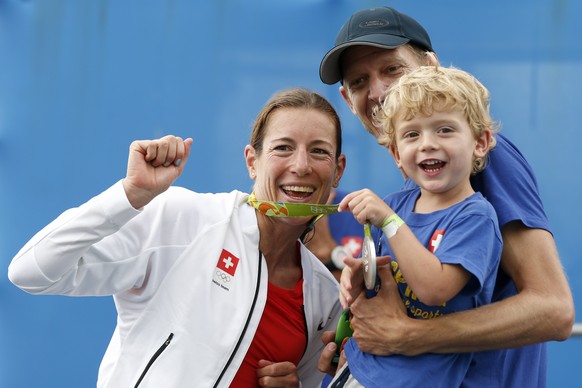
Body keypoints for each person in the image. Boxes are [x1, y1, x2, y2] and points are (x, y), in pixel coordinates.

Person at [8, 87, 346, 388]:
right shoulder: (183, 219)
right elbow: (30, 272)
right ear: (252, 162)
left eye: (319, 151)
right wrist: (128, 196)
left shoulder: (326, 297)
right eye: (283, 148)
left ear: (337, 171)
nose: (301, 166)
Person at [317, 6, 574, 387]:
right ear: (346, 98)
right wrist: (360, 338)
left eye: (392, 69)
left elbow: (553, 310)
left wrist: (405, 337)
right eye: (358, 81)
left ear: (432, 66)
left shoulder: (485, 159)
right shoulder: (419, 186)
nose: (378, 92)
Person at [330, 65, 503, 387]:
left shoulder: (476, 217)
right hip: (360, 367)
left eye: (445, 130)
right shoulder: (395, 205)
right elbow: (382, 278)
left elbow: (434, 290)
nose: (427, 144)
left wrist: (390, 222)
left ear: (480, 143)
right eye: (412, 134)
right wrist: (355, 277)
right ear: (397, 154)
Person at [305, 188, 364, 281]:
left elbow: (373, 289)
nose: (301, 172)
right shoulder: (276, 214)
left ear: (338, 174)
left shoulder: (362, 209)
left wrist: (327, 252)